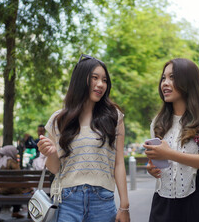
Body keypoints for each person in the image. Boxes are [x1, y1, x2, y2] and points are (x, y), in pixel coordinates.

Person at [37, 54, 130, 222]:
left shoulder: (114, 117)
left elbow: (119, 163)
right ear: (81, 79)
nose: (100, 84)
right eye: (95, 78)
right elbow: (54, 169)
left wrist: (124, 206)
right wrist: (50, 153)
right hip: (67, 202)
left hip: (102, 202)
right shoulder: (58, 120)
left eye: (104, 80)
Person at [143, 58, 199, 222]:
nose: (165, 83)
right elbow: (158, 162)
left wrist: (170, 154)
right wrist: (151, 168)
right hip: (162, 203)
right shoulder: (157, 123)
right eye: (163, 78)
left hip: (197, 204)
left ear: (188, 81)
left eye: (172, 77)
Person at [0, 145, 31, 219]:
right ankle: (29, 214)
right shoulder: (11, 162)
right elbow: (20, 177)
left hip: (1, 190)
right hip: (10, 190)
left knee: (18, 189)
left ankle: (16, 212)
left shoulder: (0, 162)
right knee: (28, 190)